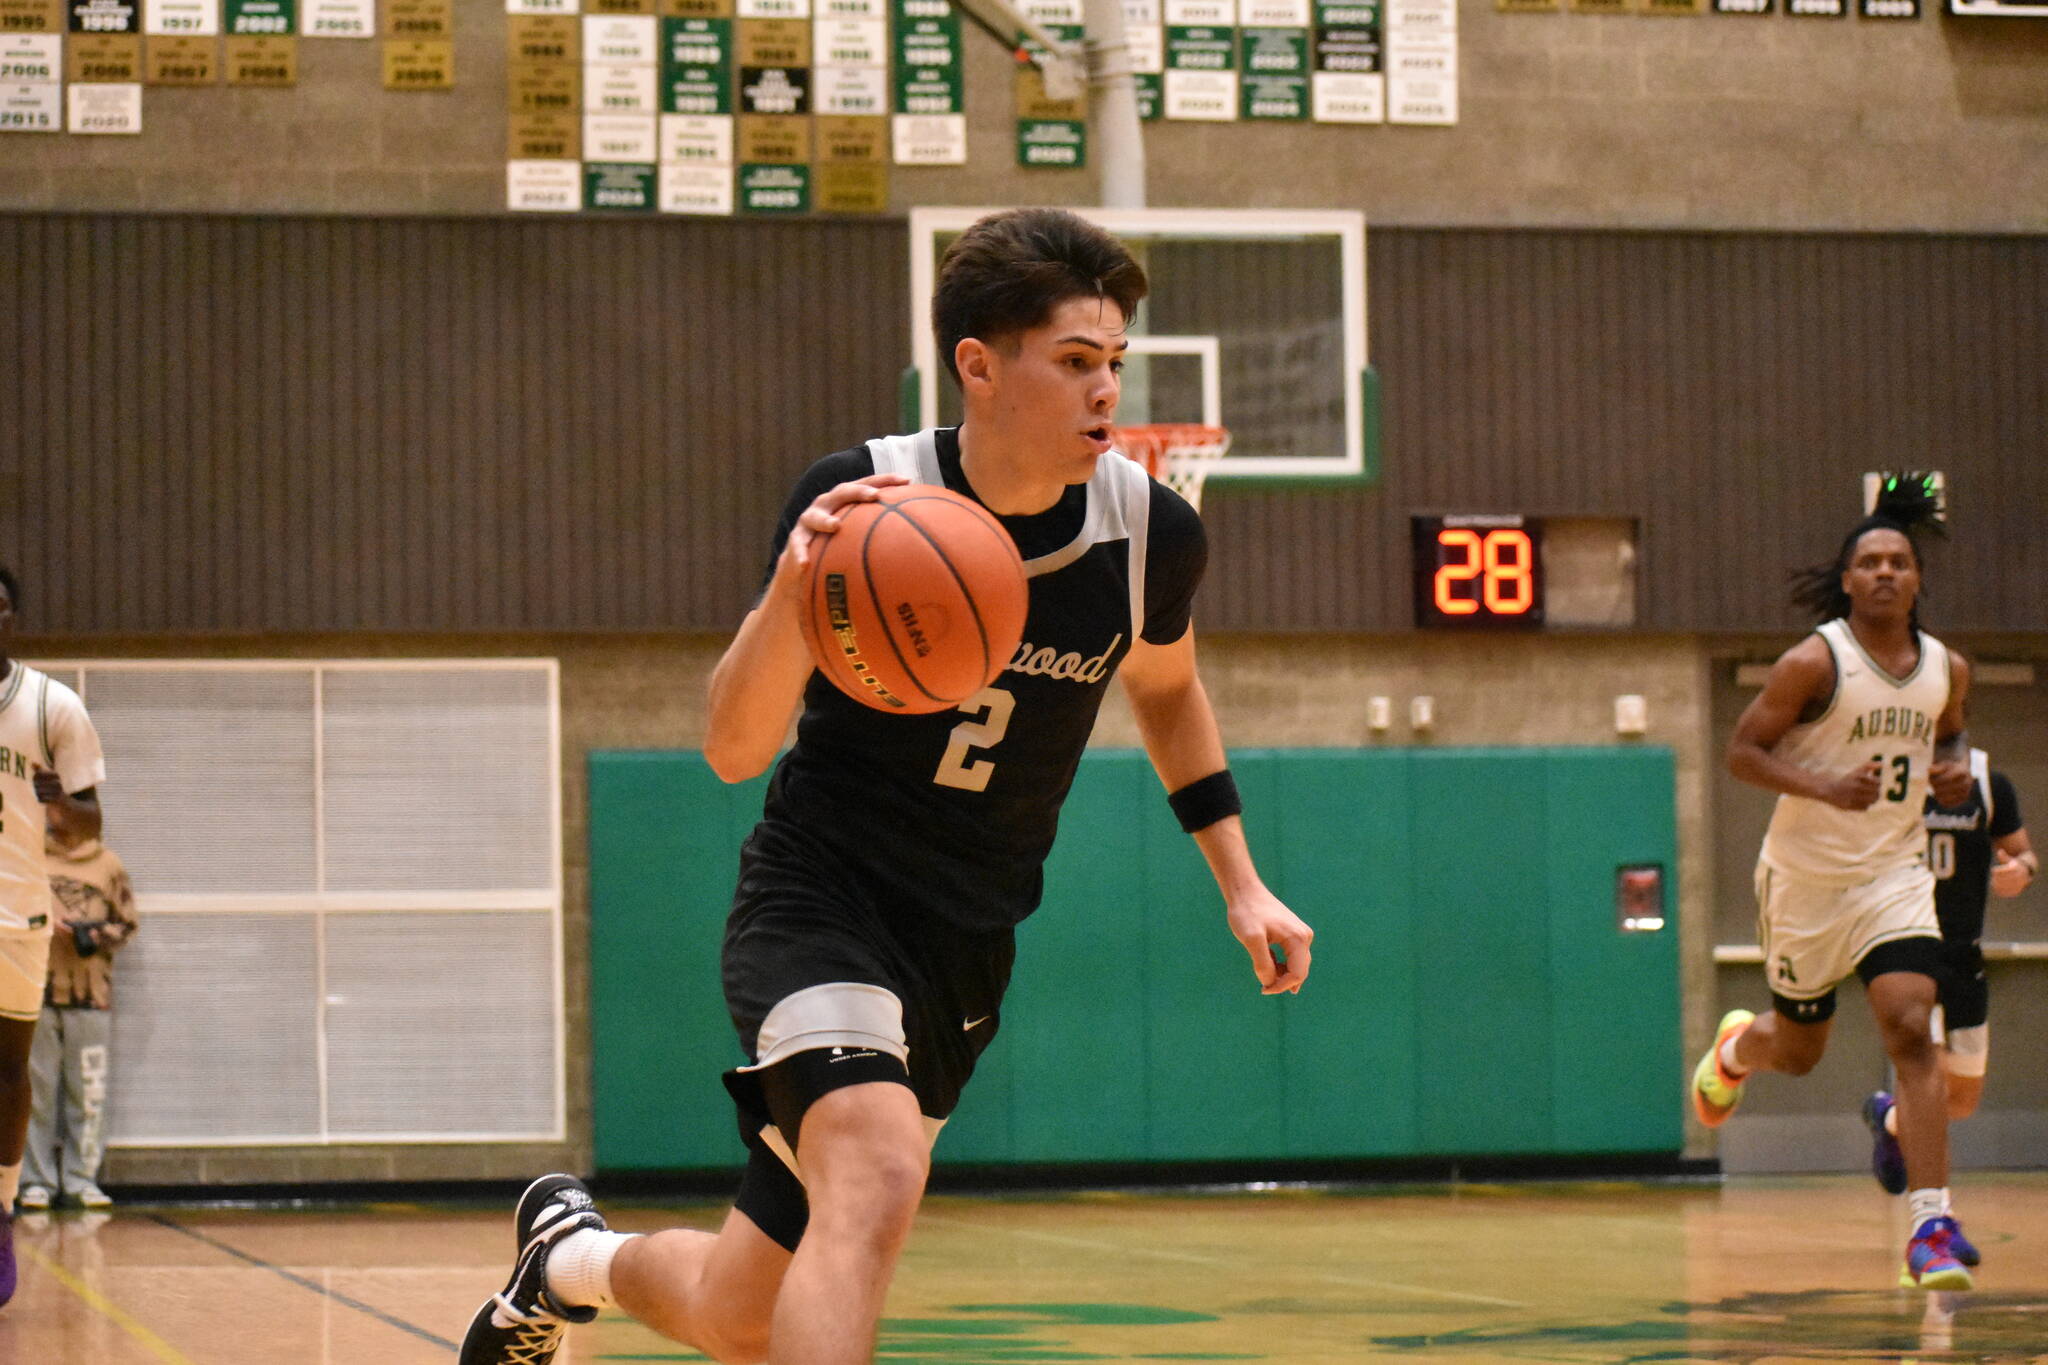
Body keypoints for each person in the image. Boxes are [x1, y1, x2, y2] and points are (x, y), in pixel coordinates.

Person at [459, 208, 1314, 1365]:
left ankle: (564, 1261)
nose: (1105, 390)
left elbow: (1164, 690)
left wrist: (1240, 882)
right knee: (875, 1170)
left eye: (1113, 361)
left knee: (738, 1316)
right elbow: (731, 749)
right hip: (821, 903)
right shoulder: (861, 500)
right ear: (978, 366)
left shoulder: (1149, 533)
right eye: (1074, 361)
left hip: (963, 944)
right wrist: (789, 595)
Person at [1692, 475, 1978, 1292]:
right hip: (1806, 882)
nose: (1886, 572)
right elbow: (1742, 752)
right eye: (1871, 563)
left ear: (1917, 579)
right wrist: (1823, 786)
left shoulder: (1947, 668)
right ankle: (1736, 1049)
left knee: (1911, 1027)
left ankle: (1930, 1227)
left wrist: (1953, 772)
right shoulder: (1813, 661)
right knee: (1799, 1050)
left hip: (1893, 873)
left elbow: (1951, 739)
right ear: (1848, 580)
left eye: (1899, 562)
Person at [0, 565, 107, 1308]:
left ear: (13, 616)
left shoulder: (50, 706)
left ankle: (1, 1208)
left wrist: (62, 805)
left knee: (10, 1070)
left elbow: (90, 821)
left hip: (18, 912)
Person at [1862, 751, 2034, 1200]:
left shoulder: (1988, 784)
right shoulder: (1891, 779)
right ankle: (1937, 1214)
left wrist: (2022, 870)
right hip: (1910, 949)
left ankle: (1890, 1118)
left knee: (1962, 1100)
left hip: (1964, 957)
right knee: (1930, 1084)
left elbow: (2024, 852)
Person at [21, 815, 138, 1211]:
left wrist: (91, 933)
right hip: (36, 992)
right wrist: (40, 925)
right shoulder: (29, 858)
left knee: (88, 1093)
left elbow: (127, 924)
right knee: (34, 1093)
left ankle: (81, 1179)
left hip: (91, 997)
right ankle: (35, 1181)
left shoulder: (108, 865)